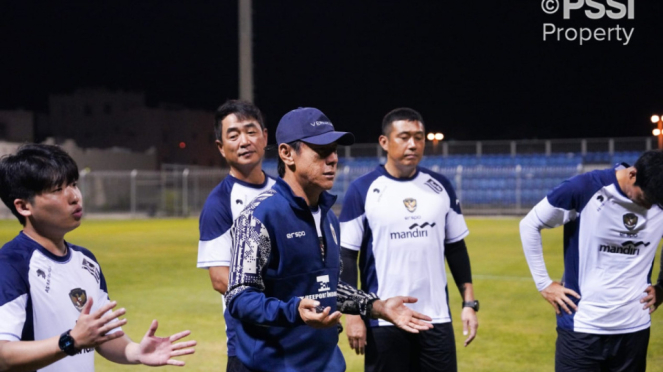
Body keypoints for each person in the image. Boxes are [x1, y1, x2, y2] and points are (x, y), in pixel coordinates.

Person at [225, 107, 434, 372]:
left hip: (325, 364)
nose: (333, 159)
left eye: (334, 150)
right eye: (321, 151)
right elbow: (239, 296)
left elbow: (327, 288)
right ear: (287, 153)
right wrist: (294, 311)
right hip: (271, 365)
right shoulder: (258, 217)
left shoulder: (329, 218)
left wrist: (376, 306)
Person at [0, 144, 196, 372]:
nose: (74, 196)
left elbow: (103, 335)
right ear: (23, 206)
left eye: (73, 184)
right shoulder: (10, 265)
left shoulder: (86, 261)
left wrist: (135, 351)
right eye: (57, 189)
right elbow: (4, 356)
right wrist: (70, 341)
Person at [339, 107, 479, 372]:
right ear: (384, 142)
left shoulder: (440, 187)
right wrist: (354, 314)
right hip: (384, 318)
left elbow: (456, 248)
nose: (413, 144)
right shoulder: (362, 190)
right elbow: (347, 256)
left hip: (435, 317)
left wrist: (469, 304)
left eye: (419, 137)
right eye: (404, 137)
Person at [520, 150, 663, 371]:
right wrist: (544, 284)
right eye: (644, 198)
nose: (648, 206)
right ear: (633, 175)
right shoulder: (584, 188)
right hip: (582, 327)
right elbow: (529, 224)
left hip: (634, 329)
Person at [196, 100, 275, 369]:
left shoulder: (285, 191)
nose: (244, 141)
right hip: (248, 344)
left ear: (265, 136)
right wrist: (281, 302)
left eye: (251, 132)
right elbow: (220, 278)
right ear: (221, 147)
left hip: (294, 337)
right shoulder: (219, 202)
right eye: (233, 135)